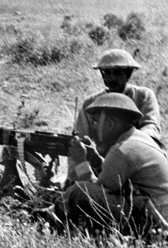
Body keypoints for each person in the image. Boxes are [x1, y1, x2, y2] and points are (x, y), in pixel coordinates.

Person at [56, 93, 168, 234]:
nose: (95, 128)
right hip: (157, 211)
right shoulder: (138, 139)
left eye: (96, 122)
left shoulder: (122, 149)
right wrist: (96, 161)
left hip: (155, 220)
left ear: (110, 124)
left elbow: (94, 193)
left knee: (79, 192)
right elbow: (117, 176)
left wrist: (80, 162)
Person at [66, 48, 162, 184]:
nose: (110, 78)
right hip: (101, 164)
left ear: (128, 74)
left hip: (135, 161)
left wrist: (127, 147)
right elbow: (79, 141)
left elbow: (151, 129)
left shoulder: (143, 96)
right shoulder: (91, 103)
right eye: (106, 73)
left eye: (117, 73)